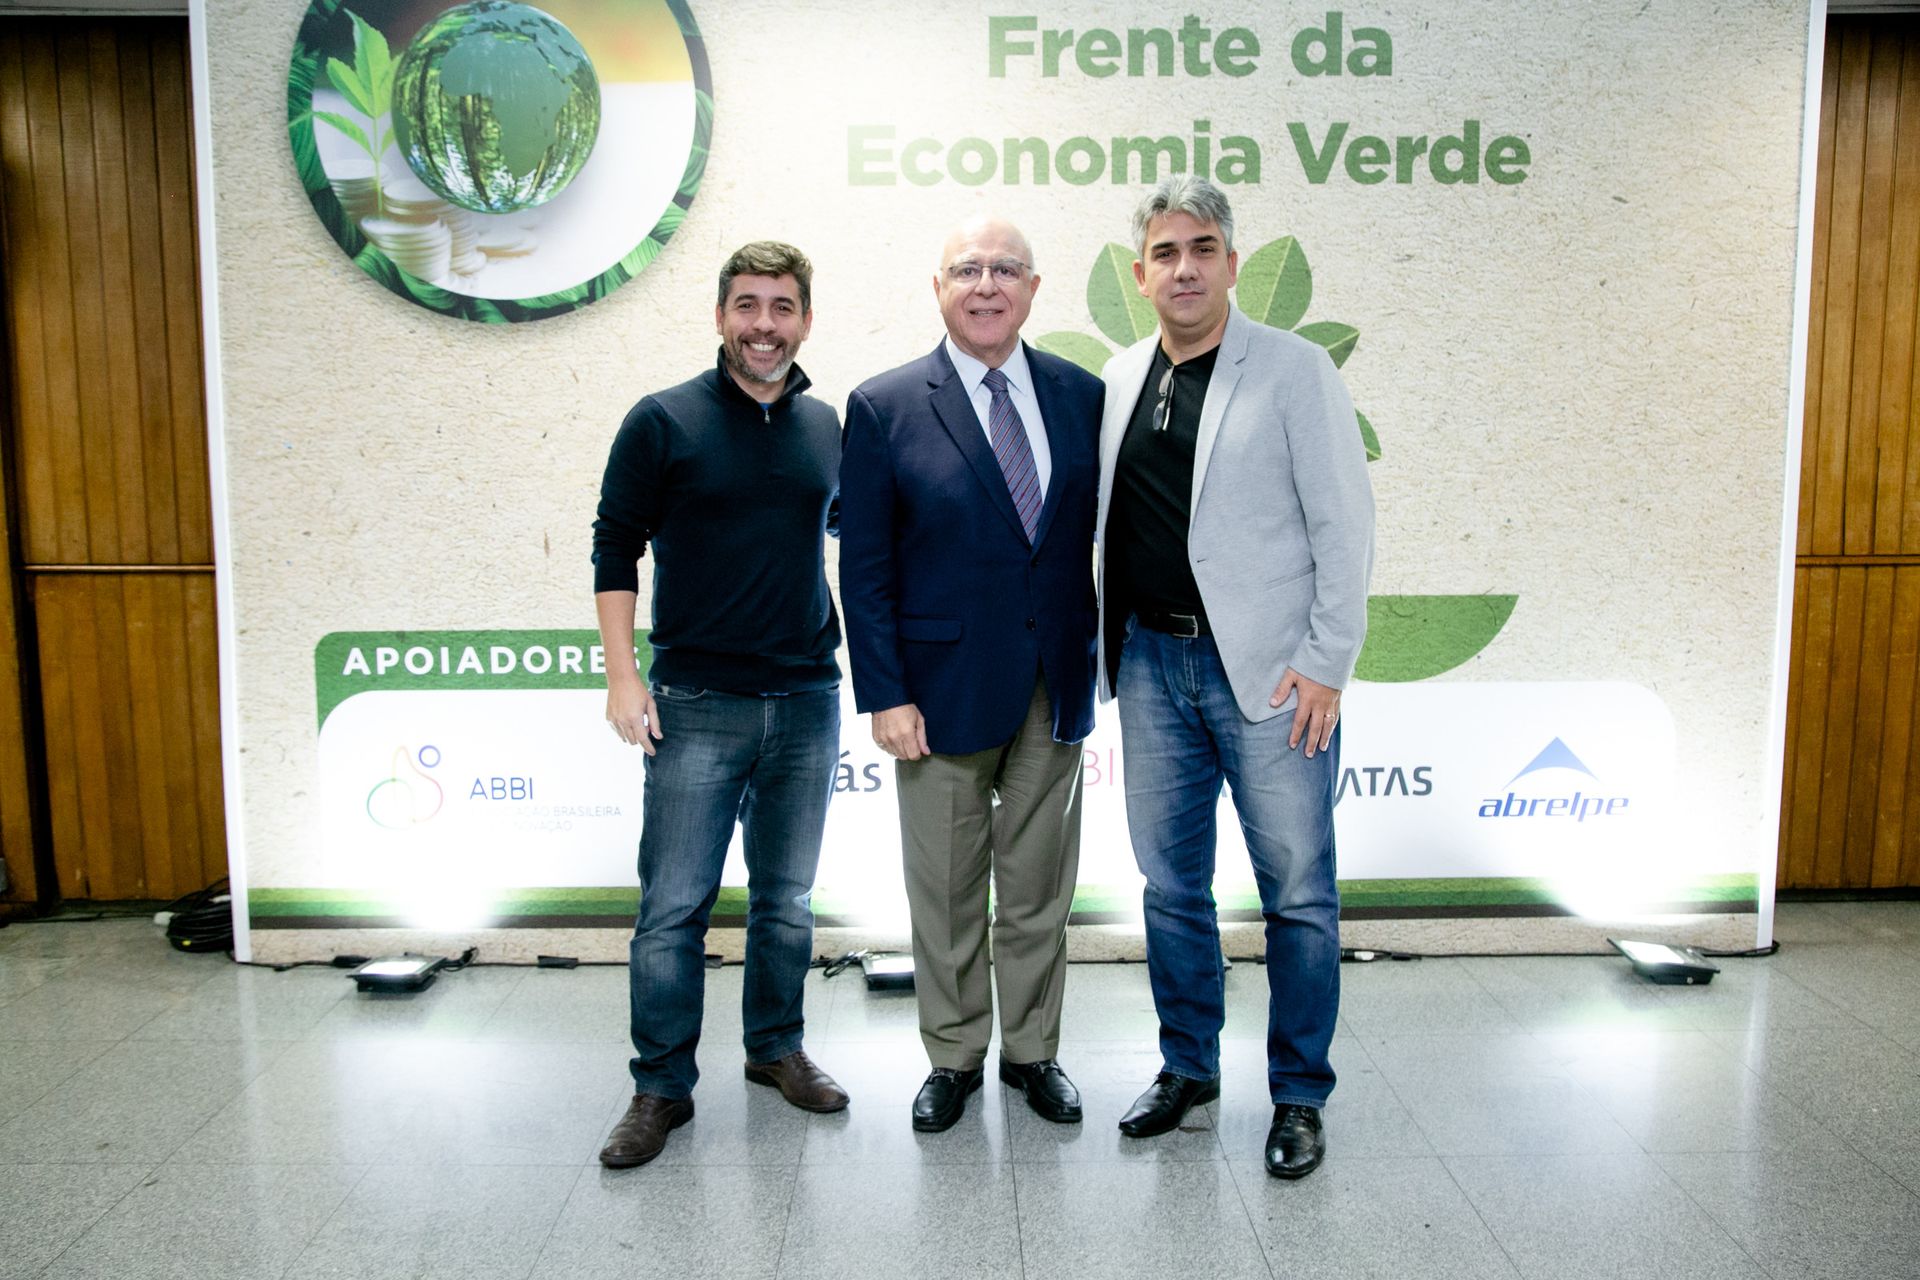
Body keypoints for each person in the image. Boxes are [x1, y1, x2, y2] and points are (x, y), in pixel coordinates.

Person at [1096, 177, 1374, 1179]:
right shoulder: (1121, 376)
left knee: (1297, 891)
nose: (1184, 268)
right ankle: (1188, 1068)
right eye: (1165, 252)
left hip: (1268, 676)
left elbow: (1345, 523)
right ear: (1141, 273)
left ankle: (1299, 1095)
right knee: (1170, 886)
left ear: (1231, 262)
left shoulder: (1294, 370)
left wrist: (1325, 662)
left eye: (1202, 248)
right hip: (1148, 661)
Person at [839, 216, 1103, 1133]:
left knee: (1038, 886)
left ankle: (1032, 1052)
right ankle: (952, 1056)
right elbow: (863, 566)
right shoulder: (885, 404)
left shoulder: (1082, 395)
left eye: (1004, 270)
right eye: (967, 270)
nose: (986, 285)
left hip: (1055, 681)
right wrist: (883, 691)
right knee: (947, 890)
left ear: (1034, 288)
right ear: (938, 287)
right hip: (937, 692)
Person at [590, 241, 849, 1169]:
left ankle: (774, 1048)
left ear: (805, 321)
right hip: (696, 701)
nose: (765, 326)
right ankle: (661, 1086)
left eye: (783, 307)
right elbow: (615, 546)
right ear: (720, 317)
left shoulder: (828, 428)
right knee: (673, 908)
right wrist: (626, 675)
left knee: (785, 902)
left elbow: (855, 544)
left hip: (808, 699)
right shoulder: (663, 421)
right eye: (748, 306)